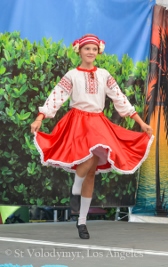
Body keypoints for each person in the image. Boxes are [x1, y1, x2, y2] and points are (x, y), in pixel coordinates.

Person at [30, 34, 154, 239]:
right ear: (79, 50)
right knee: (88, 161)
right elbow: (56, 97)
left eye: (94, 49)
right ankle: (76, 191)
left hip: (97, 122)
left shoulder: (104, 75)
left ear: (99, 52)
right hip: (78, 122)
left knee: (91, 169)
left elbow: (120, 98)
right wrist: (40, 117)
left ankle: (82, 221)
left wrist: (141, 123)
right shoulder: (72, 75)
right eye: (87, 48)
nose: (90, 52)